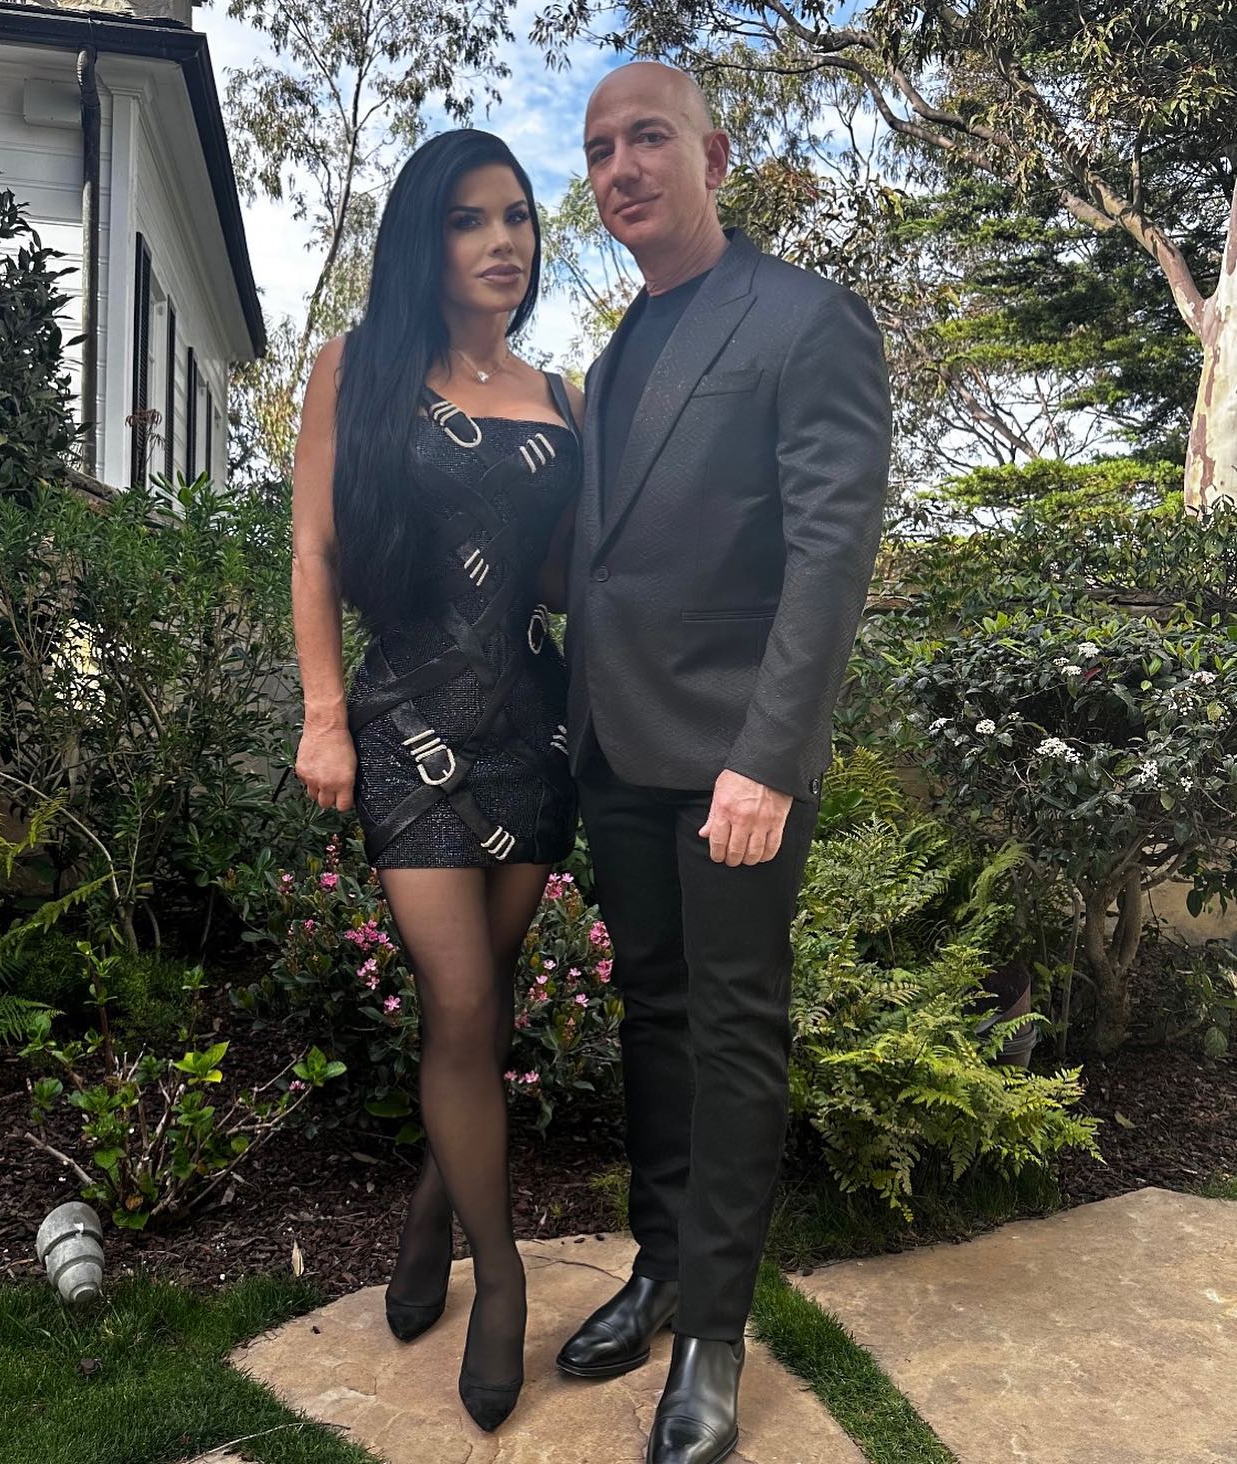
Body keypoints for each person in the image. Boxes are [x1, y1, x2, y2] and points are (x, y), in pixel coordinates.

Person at [556, 63, 892, 1464]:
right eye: (598, 150)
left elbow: (830, 552)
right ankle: (657, 1267)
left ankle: (712, 1334)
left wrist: (767, 757)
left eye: (649, 138)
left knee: (735, 1027)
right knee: (654, 1017)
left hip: (733, 762)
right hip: (618, 746)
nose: (621, 168)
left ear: (717, 154)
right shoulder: (617, 351)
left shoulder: (805, 318)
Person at [289, 128, 584, 1434]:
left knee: (481, 1014)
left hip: (532, 735)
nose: (502, 240)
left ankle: (427, 1219)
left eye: (516, 216)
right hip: (406, 726)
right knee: (460, 999)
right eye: (471, 219)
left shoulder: (561, 396)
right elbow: (312, 549)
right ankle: (500, 1275)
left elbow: (567, 580)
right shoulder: (354, 371)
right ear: (427, 238)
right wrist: (324, 718)